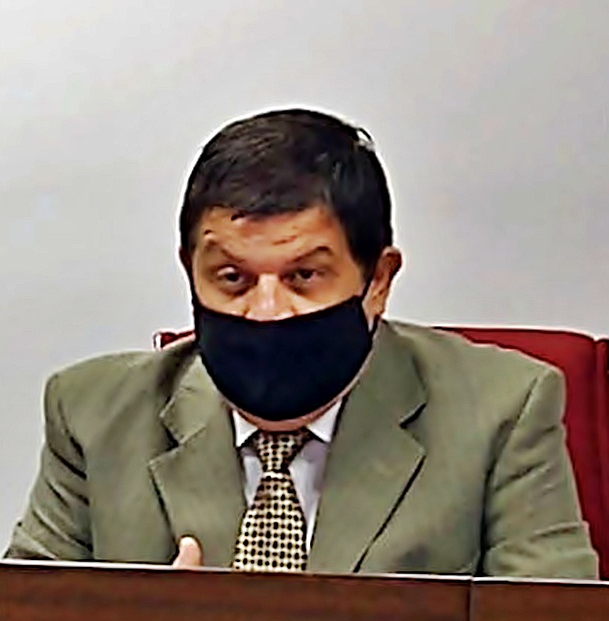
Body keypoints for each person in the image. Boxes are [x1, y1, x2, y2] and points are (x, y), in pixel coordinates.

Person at [4, 108, 598, 578]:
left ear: (378, 280)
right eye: (232, 278)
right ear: (190, 271)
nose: (266, 312)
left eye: (304, 276)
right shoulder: (93, 415)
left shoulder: (502, 412)